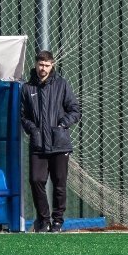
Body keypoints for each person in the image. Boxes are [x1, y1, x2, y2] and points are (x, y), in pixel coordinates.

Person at [20, 49, 80, 233]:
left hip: (59, 143)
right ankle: (44, 220)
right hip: (38, 144)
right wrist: (33, 129)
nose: (43, 69)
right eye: (40, 65)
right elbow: (23, 115)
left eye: (47, 65)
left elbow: (75, 110)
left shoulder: (62, 84)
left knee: (59, 184)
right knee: (36, 180)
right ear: (35, 64)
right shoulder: (27, 88)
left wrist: (62, 125)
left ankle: (57, 222)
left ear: (52, 65)